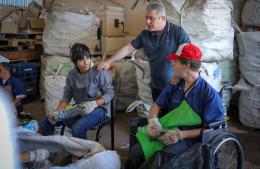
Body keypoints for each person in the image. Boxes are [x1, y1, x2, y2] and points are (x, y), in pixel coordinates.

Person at [125, 43, 225, 169]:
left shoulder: (209, 95)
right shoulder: (175, 83)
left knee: (160, 158)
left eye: (176, 61)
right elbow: (156, 105)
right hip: (168, 129)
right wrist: (153, 120)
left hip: (192, 139)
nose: (172, 64)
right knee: (136, 151)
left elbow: (213, 130)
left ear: (187, 65)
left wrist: (180, 135)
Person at [98, 2, 190, 101]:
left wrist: (178, 74)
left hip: (175, 86)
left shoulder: (177, 32)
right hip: (156, 86)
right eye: (146, 18)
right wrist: (109, 61)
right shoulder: (145, 35)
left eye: (151, 18)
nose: (147, 21)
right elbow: (128, 48)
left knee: (174, 115)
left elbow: (187, 55)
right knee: (158, 114)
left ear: (162, 18)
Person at [39, 43, 114, 139]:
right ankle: (44, 149)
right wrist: (57, 112)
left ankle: (82, 153)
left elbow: (110, 93)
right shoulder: (71, 75)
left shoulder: (99, 71)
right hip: (81, 108)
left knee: (77, 128)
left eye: (87, 57)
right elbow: (66, 97)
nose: (86, 62)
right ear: (75, 62)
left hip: (100, 110)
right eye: (81, 59)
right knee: (48, 120)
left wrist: (94, 103)